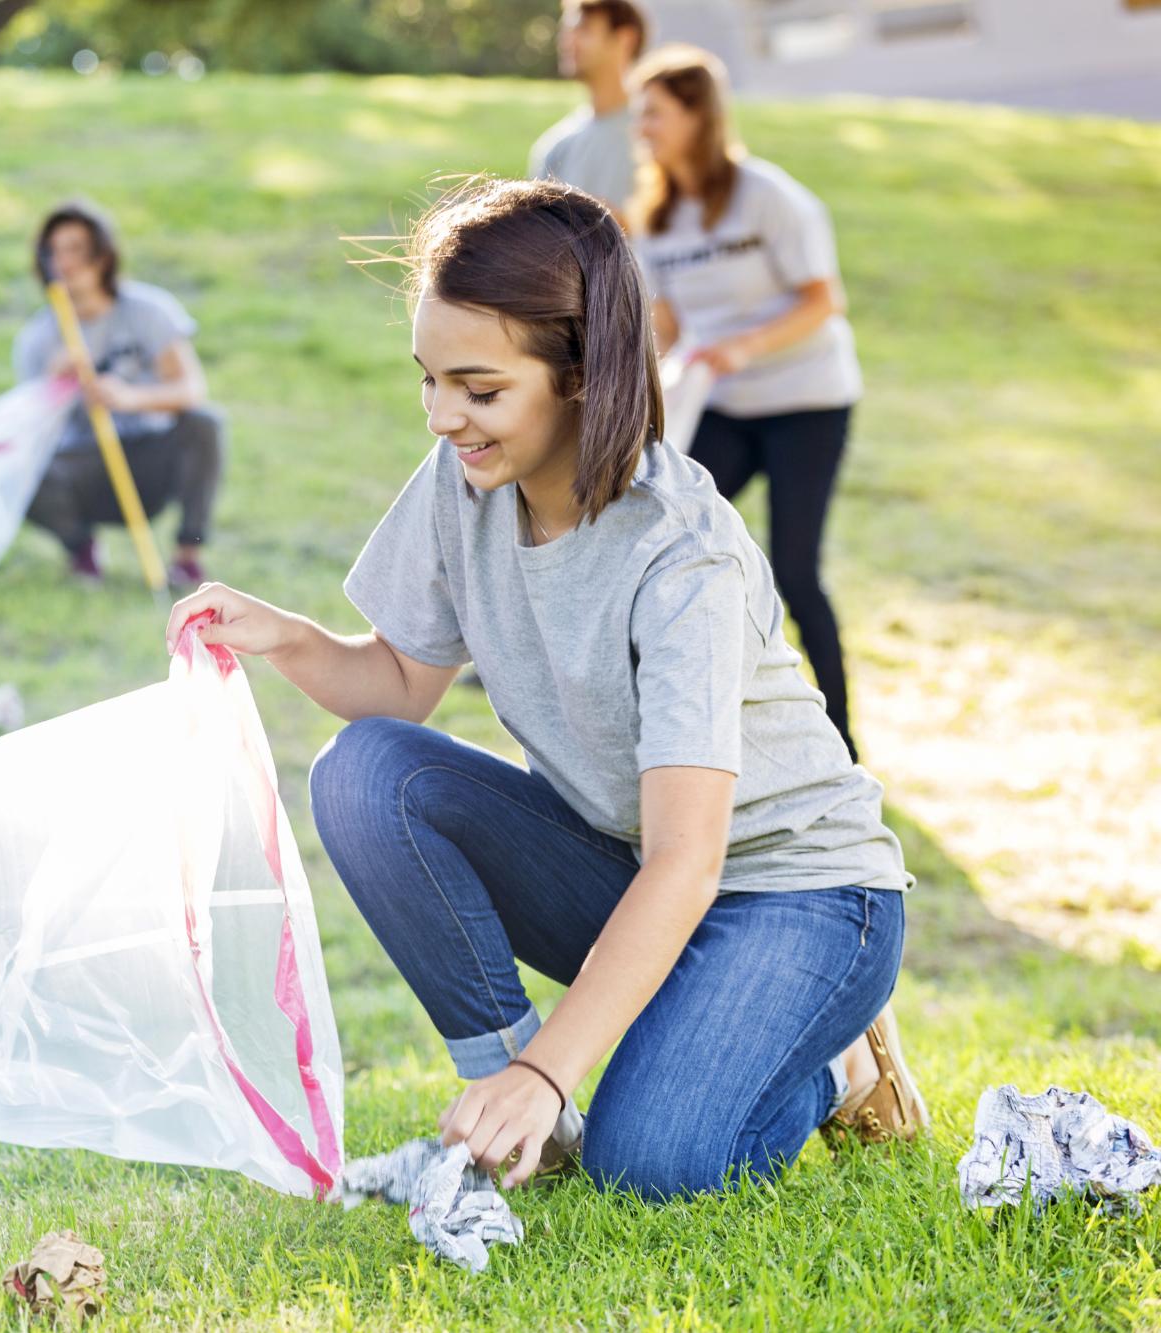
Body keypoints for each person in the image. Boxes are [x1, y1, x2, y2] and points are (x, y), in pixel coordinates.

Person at [165, 177, 924, 1201]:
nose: (442, 418)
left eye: (477, 390)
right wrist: (286, 638)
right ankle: (530, 1119)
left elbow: (688, 857)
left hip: (799, 894)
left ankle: (829, 1061)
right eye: (427, 381)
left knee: (650, 1167)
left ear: (577, 373)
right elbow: (393, 688)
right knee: (367, 774)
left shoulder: (679, 557)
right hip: (630, 867)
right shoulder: (464, 483)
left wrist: (550, 1061)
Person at [629, 45, 865, 761]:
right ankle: (674, 716)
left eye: (655, 113)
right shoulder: (659, 219)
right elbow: (665, 326)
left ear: (698, 115)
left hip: (807, 403)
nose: (642, 128)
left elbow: (824, 301)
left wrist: (745, 347)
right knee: (663, 536)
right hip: (724, 407)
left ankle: (841, 744)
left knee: (795, 570)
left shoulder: (771, 198)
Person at [13, 200, 225, 589]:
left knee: (205, 424)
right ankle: (81, 548)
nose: (64, 261)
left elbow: (192, 389)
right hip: (85, 466)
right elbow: (30, 428)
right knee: (17, 469)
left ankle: (188, 556)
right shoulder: (39, 339)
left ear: (102, 253)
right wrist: (54, 385)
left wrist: (128, 397)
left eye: (75, 248)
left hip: (150, 456)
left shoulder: (147, 310)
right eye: (53, 251)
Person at [527, 0, 648, 220]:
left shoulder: (655, 132)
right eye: (566, 31)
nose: (567, 41)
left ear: (625, 39)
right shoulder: (555, 148)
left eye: (583, 30)